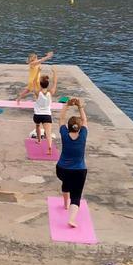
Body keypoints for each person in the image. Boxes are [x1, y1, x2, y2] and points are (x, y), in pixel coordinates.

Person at [56, 98, 88, 228]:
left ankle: (65, 204)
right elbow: (85, 120)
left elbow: (61, 119)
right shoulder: (83, 135)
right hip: (79, 171)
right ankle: (72, 219)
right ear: (79, 128)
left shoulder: (64, 134)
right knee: (76, 195)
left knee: (66, 183)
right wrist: (80, 107)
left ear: (68, 127)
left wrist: (67, 105)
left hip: (62, 170)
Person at [32, 74, 57, 157]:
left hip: (37, 115)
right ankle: (49, 147)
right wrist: (55, 73)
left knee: (37, 126)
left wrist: (38, 71)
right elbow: (55, 82)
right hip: (47, 115)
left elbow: (33, 82)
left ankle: (39, 140)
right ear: (47, 84)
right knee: (48, 133)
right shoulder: (51, 92)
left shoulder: (38, 92)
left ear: (40, 84)